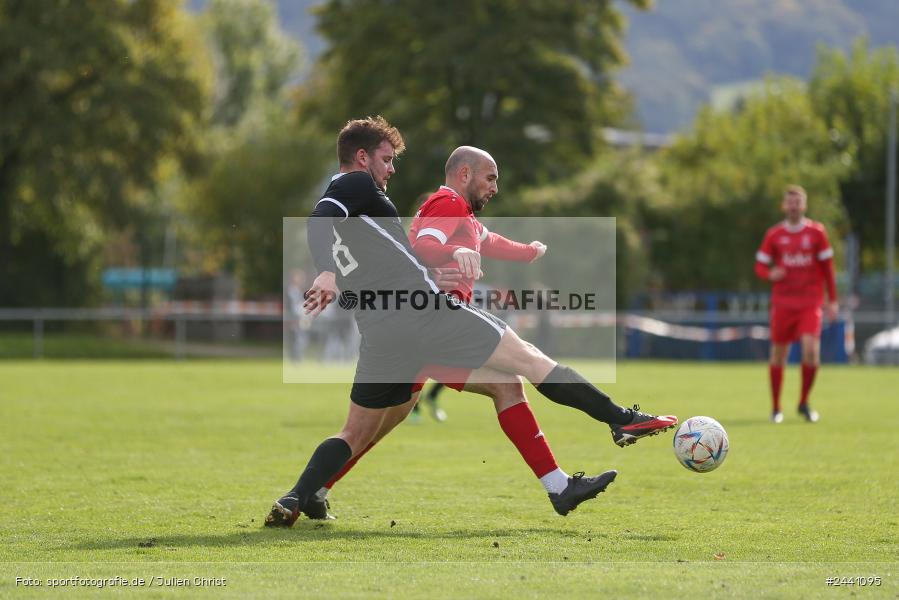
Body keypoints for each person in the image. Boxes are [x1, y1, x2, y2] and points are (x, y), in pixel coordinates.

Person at [265, 117, 677, 527]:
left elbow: (407, 251)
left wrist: (503, 255)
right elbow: (346, 225)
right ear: (361, 157)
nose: (392, 169)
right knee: (530, 360)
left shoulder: (361, 212)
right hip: (424, 314)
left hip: (381, 330)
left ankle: (299, 495)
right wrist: (328, 271)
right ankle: (620, 419)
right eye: (386, 159)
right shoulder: (355, 184)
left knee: (360, 431)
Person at [755, 185, 838, 423]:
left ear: (804, 205)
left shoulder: (817, 233)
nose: (794, 206)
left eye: (798, 202)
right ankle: (776, 408)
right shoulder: (774, 234)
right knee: (778, 355)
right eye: (790, 202)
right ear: (784, 206)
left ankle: (803, 402)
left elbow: (828, 270)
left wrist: (832, 300)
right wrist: (770, 274)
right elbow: (760, 266)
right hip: (782, 303)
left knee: (811, 351)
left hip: (810, 302)